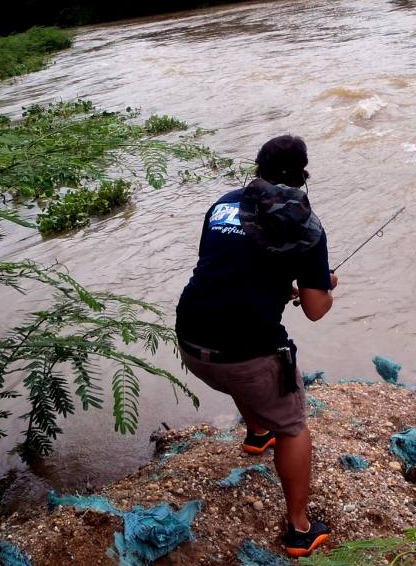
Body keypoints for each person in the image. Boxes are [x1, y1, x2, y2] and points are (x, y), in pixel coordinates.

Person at [176, 134, 338, 558]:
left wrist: (283, 284)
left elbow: (223, 267)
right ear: (303, 175)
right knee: (294, 425)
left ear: (257, 169)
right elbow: (316, 310)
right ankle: (300, 530)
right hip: (243, 357)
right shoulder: (307, 226)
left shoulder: (222, 204)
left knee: (245, 370)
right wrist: (321, 285)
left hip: (191, 343)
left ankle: (256, 433)